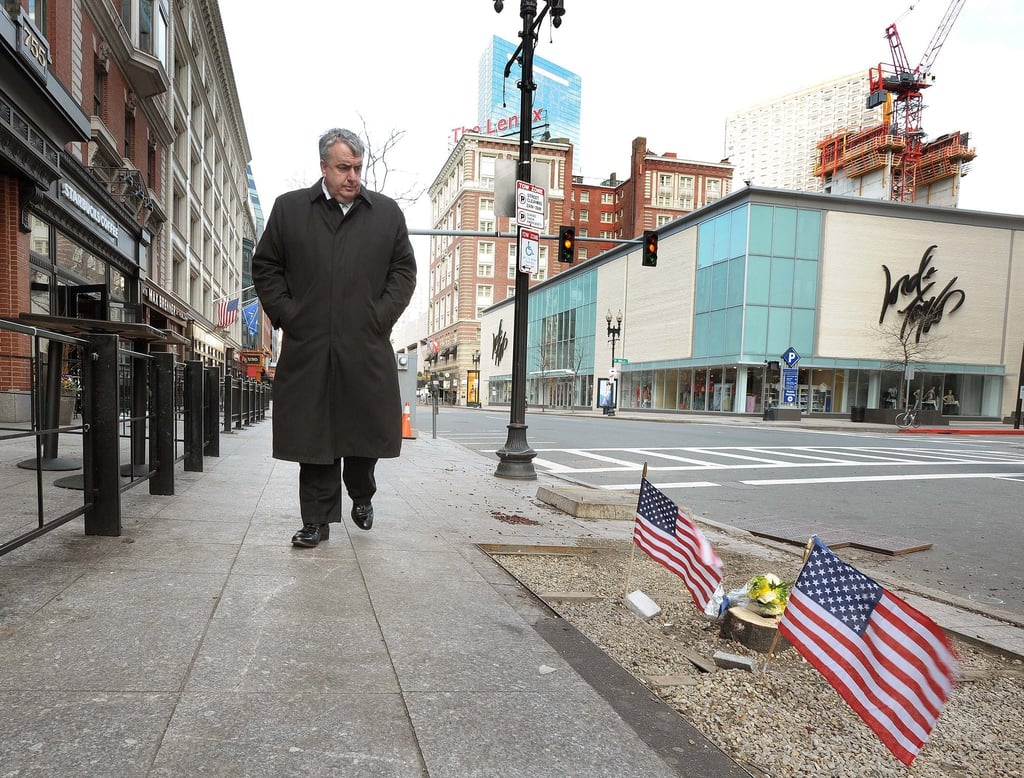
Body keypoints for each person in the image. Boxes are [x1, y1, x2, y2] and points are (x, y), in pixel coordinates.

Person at [252, 128, 417, 548]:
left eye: (358, 167)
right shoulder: (289, 210)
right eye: (344, 167)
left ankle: (361, 493)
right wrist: (291, 316)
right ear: (324, 167)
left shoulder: (386, 213)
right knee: (315, 438)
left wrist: (378, 318)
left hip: (365, 345)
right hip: (310, 348)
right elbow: (266, 267)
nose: (353, 176)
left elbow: (404, 271)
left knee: (365, 433)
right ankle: (316, 520)